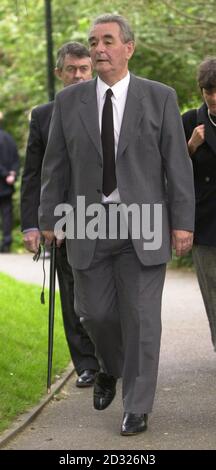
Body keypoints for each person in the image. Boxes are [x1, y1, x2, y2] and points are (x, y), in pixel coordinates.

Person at [39, 15, 195, 435]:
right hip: (87, 223)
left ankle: (137, 405)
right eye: (93, 41)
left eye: (108, 41)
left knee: (142, 318)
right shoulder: (69, 103)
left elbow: (176, 165)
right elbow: (54, 166)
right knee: (94, 313)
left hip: (144, 224)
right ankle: (109, 365)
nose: (98, 49)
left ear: (129, 47)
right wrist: (50, 218)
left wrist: (183, 221)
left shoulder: (159, 97)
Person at [21, 42, 99, 387]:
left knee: (107, 293)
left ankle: (112, 355)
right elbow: (33, 174)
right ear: (59, 73)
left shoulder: (110, 106)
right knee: (70, 292)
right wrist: (32, 225)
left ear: (92, 70)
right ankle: (86, 364)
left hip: (107, 217)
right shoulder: (43, 115)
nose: (79, 76)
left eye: (84, 68)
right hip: (63, 219)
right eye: (72, 69)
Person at [182, 57, 216, 352]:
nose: (214, 97)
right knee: (213, 292)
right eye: (208, 90)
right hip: (206, 223)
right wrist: (190, 146)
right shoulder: (190, 121)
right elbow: (169, 172)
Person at [0, 112, 19, 253]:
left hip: (4, 181)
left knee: (6, 214)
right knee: (7, 214)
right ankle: (7, 242)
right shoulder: (10, 139)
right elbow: (16, 159)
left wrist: (6, 174)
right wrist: (12, 173)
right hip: (7, 184)